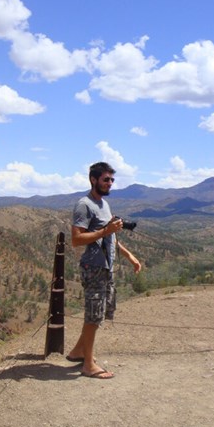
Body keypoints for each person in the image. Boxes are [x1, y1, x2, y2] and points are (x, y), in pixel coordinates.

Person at [66, 162, 141, 379]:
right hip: (94, 267)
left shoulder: (103, 204)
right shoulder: (84, 205)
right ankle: (88, 365)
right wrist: (105, 230)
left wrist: (129, 256)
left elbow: (110, 236)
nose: (110, 183)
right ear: (93, 179)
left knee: (98, 313)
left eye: (112, 180)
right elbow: (76, 239)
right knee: (93, 316)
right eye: (106, 179)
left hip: (105, 267)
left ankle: (78, 352)